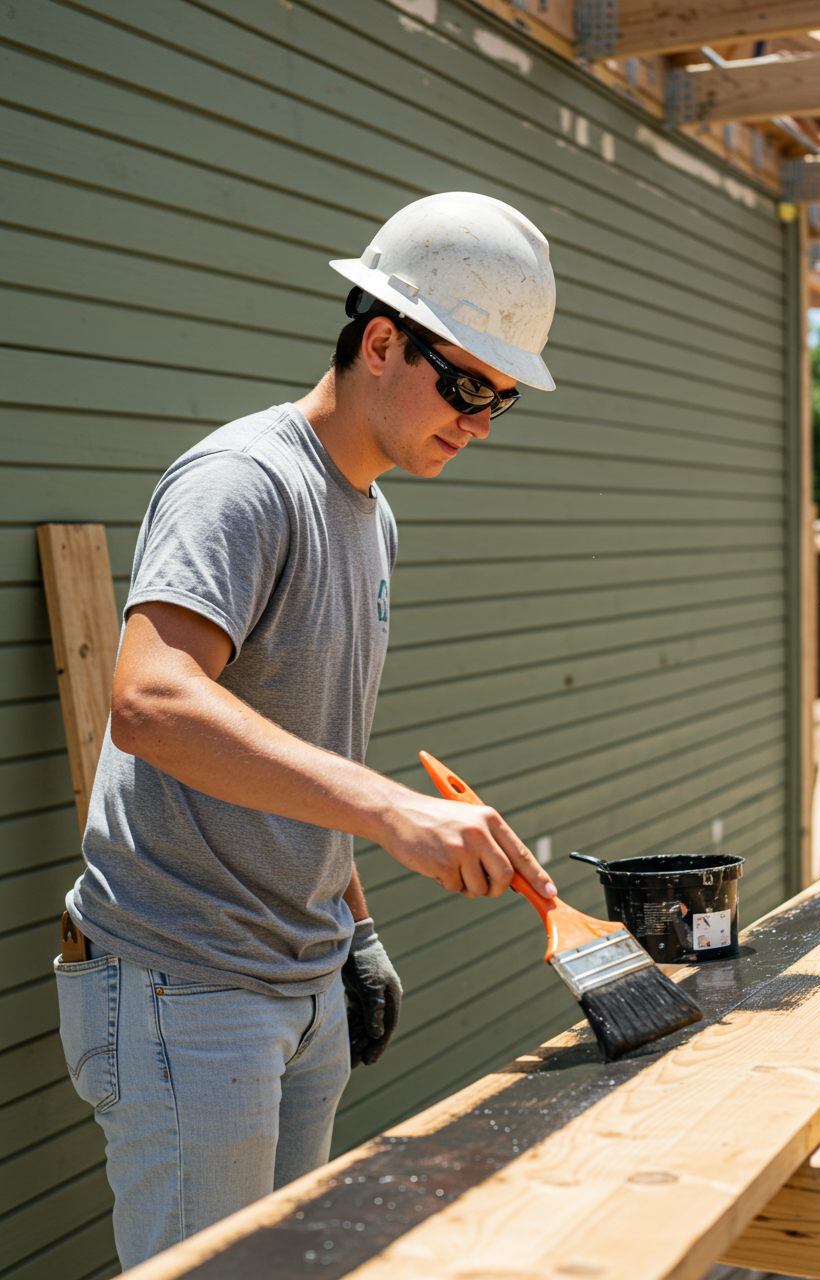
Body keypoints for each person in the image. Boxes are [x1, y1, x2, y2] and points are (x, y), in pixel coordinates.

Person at [54, 191, 558, 1269]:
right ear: (381, 340)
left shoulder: (369, 516)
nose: (476, 420)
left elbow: (299, 741)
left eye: (500, 400)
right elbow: (151, 701)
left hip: (298, 978)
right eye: (466, 384)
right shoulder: (244, 482)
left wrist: (356, 927)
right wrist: (388, 810)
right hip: (181, 987)